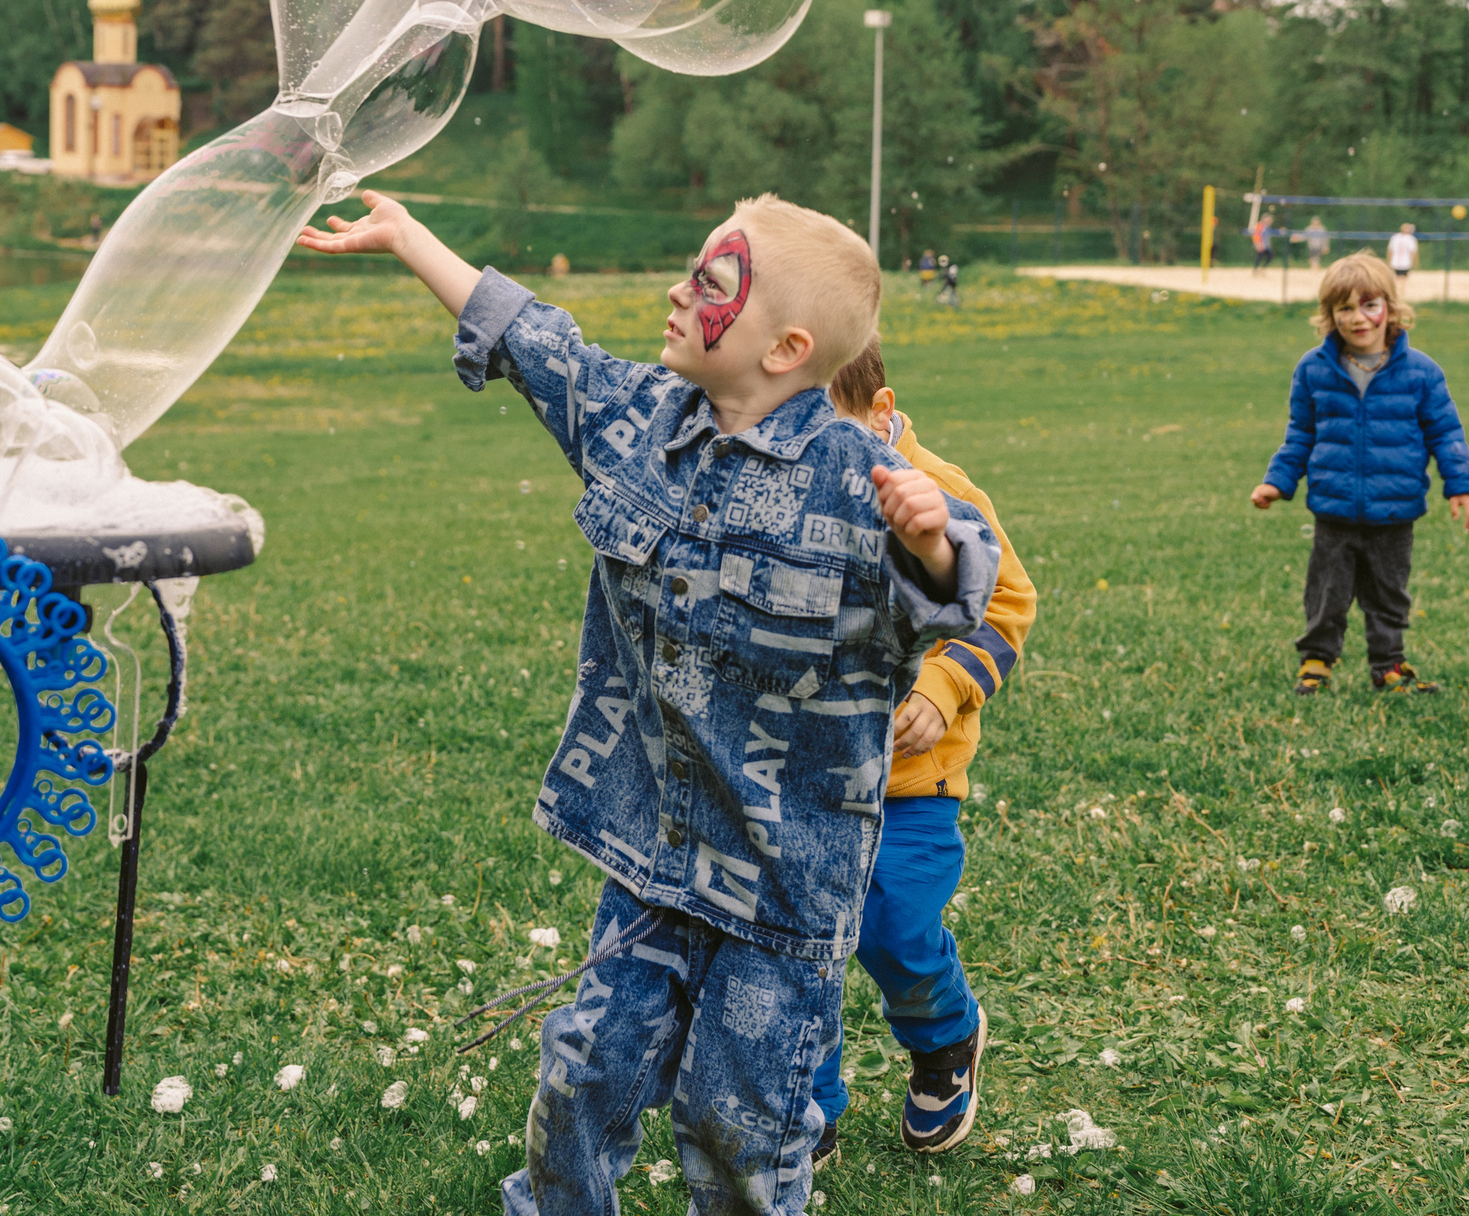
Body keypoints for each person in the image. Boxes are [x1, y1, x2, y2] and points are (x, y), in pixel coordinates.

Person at [298, 189, 1001, 1216]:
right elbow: (535, 339)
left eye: (712, 285)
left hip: (782, 888)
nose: (678, 291)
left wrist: (933, 539)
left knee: (738, 1123)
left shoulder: (865, 483)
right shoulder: (635, 423)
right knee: (583, 1075)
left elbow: (953, 598)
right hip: (651, 853)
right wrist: (406, 238)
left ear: (784, 348)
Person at [808, 339, 1034, 1161]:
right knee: (802, 942)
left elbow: (1006, 601)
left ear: (879, 410)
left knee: (893, 919)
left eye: (824, 428)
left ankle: (945, 1036)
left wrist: (943, 687)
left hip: (912, 780)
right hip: (808, 779)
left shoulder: (942, 491)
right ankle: (808, 1100)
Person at [1251, 252, 1469, 695]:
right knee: (1326, 592)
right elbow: (1300, 434)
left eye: (1369, 305)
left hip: (1395, 511)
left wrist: (1463, 486)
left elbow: (1447, 434)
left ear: (1390, 309)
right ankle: (1316, 660)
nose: (1358, 318)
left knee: (1388, 594)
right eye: (1345, 308)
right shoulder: (1313, 370)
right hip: (1333, 508)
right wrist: (1276, 483)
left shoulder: (1421, 374)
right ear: (1330, 315)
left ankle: (1388, 665)